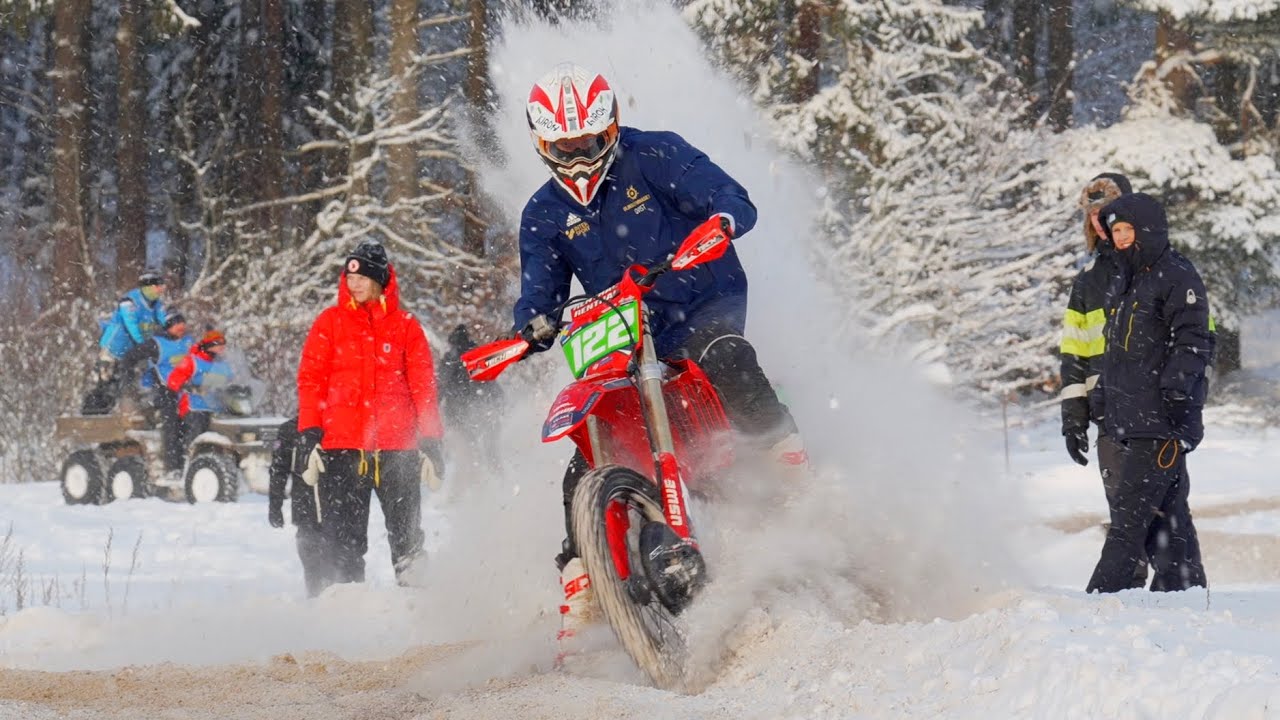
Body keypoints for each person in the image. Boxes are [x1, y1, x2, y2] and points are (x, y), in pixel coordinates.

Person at [514, 63, 807, 647]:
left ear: (612, 128)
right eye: (564, 147)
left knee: (725, 356)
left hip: (699, 301)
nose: (578, 157)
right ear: (542, 144)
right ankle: (583, 579)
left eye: (589, 142)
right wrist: (531, 324)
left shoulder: (656, 155)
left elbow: (729, 195)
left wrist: (722, 220)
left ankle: (798, 478)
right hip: (622, 329)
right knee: (587, 449)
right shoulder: (543, 214)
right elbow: (538, 292)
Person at [295, 241, 445, 591]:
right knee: (342, 545)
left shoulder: (406, 326)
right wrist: (310, 432)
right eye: (350, 278)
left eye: (362, 277)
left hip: (397, 450)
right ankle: (348, 608)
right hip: (342, 449)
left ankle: (419, 606)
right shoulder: (329, 323)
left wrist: (431, 438)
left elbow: (423, 387)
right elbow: (311, 381)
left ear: (380, 279)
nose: (355, 284)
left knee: (408, 541)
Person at [1086, 193, 1214, 594]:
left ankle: (1099, 599)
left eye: (1128, 229)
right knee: (1168, 516)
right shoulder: (1126, 280)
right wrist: (1103, 397)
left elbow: (1193, 339)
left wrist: (1176, 392)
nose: (1121, 237)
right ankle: (1183, 590)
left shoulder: (1176, 274)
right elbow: (1118, 353)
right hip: (1133, 416)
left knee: (1129, 519)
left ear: (1149, 229)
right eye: (1116, 231)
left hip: (1161, 417)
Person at [1059, 173, 1149, 587]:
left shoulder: (1157, 267)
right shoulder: (1087, 282)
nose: (1099, 220)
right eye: (1092, 214)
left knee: (1159, 504)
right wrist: (1073, 419)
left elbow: (1198, 332)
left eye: (1107, 212)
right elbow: (1074, 354)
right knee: (1122, 504)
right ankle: (1131, 586)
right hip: (1108, 412)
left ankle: (1171, 586)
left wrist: (1183, 390)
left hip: (1152, 406)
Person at [82, 269, 169, 414]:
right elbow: (131, 325)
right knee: (105, 381)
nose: (161, 290)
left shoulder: (156, 304)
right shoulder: (129, 301)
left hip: (133, 352)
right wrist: (143, 344)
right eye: (158, 286)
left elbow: (165, 321)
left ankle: (117, 409)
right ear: (148, 287)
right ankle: (92, 412)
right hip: (114, 348)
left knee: (126, 382)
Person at [267, 417, 328, 597]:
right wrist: (275, 506)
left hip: (334, 508)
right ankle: (315, 597)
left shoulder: (335, 426)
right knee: (310, 557)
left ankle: (338, 599)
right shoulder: (290, 430)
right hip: (305, 508)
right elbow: (278, 470)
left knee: (336, 558)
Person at [158, 329, 232, 477]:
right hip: (195, 406)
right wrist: (189, 386)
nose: (222, 348)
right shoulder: (192, 361)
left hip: (218, 407)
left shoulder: (224, 365)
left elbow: (232, 381)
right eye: (218, 344)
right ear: (210, 345)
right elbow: (173, 381)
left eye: (223, 344)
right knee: (197, 432)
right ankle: (189, 464)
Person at [437, 323, 505, 481]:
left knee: (467, 456)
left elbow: (441, 384)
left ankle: (472, 484)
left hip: (457, 413)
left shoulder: (450, 359)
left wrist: (435, 404)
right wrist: (499, 402)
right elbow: (491, 381)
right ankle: (497, 480)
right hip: (480, 411)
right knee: (489, 451)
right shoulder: (477, 355)